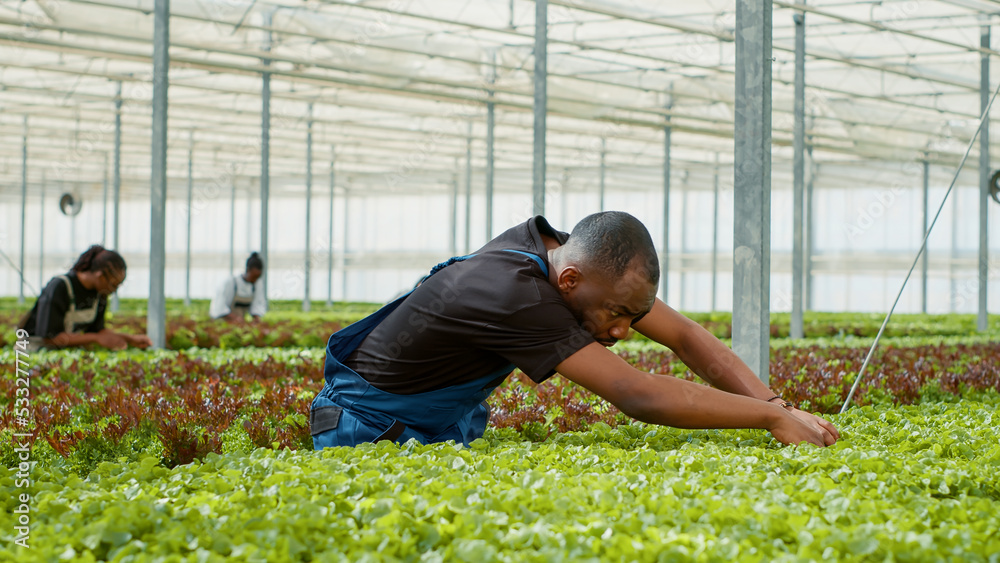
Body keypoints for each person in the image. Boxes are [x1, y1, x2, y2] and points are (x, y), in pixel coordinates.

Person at [310, 212, 840, 449]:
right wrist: (769, 418)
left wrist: (782, 406)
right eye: (618, 315)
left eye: (634, 316)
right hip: (367, 428)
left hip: (430, 424)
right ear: (569, 281)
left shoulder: (573, 262)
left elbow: (684, 336)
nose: (626, 330)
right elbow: (638, 393)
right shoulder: (514, 293)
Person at [20, 245, 152, 351]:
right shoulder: (60, 286)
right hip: (32, 351)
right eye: (114, 285)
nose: (114, 291)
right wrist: (95, 338)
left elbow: (97, 331)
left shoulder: (100, 294)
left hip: (60, 354)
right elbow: (49, 337)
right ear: (100, 276)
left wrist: (130, 339)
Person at [209, 252, 266, 323]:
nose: (255, 279)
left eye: (257, 277)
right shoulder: (231, 282)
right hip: (223, 322)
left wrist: (256, 318)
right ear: (248, 270)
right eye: (253, 276)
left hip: (239, 323)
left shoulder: (257, 284)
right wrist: (234, 318)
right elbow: (219, 307)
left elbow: (257, 304)